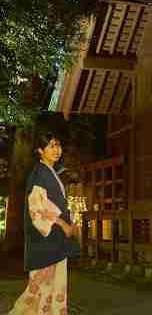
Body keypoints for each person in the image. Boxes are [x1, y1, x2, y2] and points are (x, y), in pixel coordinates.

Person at [8, 133, 79, 315]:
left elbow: (54, 204)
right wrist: (63, 224)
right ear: (40, 150)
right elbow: (37, 209)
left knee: (54, 290)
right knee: (38, 290)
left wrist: (70, 223)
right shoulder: (39, 174)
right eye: (51, 146)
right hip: (44, 242)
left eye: (58, 145)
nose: (57, 150)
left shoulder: (51, 173)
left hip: (54, 241)